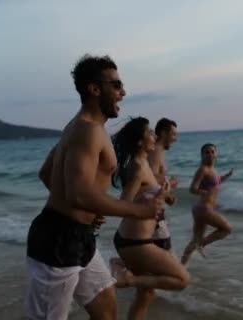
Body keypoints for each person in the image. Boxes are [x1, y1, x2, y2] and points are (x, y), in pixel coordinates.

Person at [25, 54, 164, 320]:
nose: (123, 92)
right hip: (58, 241)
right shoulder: (86, 131)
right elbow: (78, 193)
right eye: (117, 85)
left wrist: (89, 210)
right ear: (94, 89)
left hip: (81, 238)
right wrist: (140, 211)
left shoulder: (80, 128)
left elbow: (47, 174)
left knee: (106, 309)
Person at [110, 117, 190, 320]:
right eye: (150, 134)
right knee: (181, 279)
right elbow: (123, 205)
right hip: (137, 242)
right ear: (139, 141)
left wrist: (163, 191)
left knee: (146, 294)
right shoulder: (137, 167)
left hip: (134, 240)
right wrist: (155, 200)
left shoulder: (143, 162)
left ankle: (122, 268)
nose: (155, 136)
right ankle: (127, 278)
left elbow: (147, 193)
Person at [181, 143, 234, 265]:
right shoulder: (203, 169)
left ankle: (182, 266)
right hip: (204, 209)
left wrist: (226, 176)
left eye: (212, 152)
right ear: (202, 155)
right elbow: (192, 188)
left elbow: (216, 181)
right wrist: (203, 192)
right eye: (207, 152)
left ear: (216, 154)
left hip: (201, 209)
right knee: (227, 229)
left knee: (194, 240)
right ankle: (202, 244)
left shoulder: (213, 171)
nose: (210, 154)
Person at [147, 118, 179, 251]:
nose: (175, 139)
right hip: (151, 209)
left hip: (154, 207)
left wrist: (167, 195)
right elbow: (149, 178)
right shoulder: (156, 151)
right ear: (164, 133)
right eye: (173, 134)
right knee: (164, 249)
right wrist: (169, 183)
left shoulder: (157, 150)